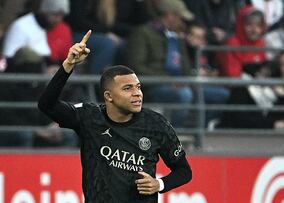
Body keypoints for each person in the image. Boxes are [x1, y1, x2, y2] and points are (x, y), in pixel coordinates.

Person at [38, 30, 192, 202]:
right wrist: (67, 66)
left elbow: (184, 171)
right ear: (108, 96)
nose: (137, 94)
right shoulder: (90, 117)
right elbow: (46, 105)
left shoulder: (156, 124)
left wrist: (160, 184)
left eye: (138, 87)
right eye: (128, 88)